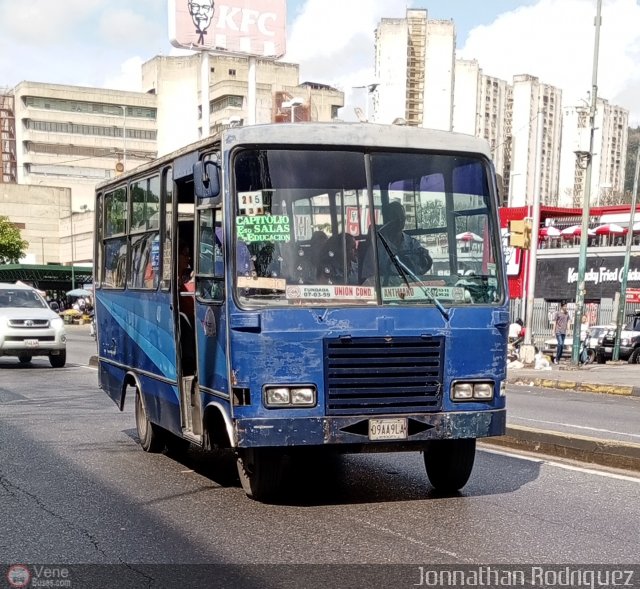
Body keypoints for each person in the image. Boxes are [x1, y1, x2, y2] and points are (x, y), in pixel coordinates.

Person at [361, 201, 432, 285]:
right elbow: (369, 279)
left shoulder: (413, 244)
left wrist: (424, 256)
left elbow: (422, 269)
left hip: (412, 290)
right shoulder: (377, 247)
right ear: (387, 219)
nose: (400, 219)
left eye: (402, 216)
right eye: (395, 216)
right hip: (386, 292)